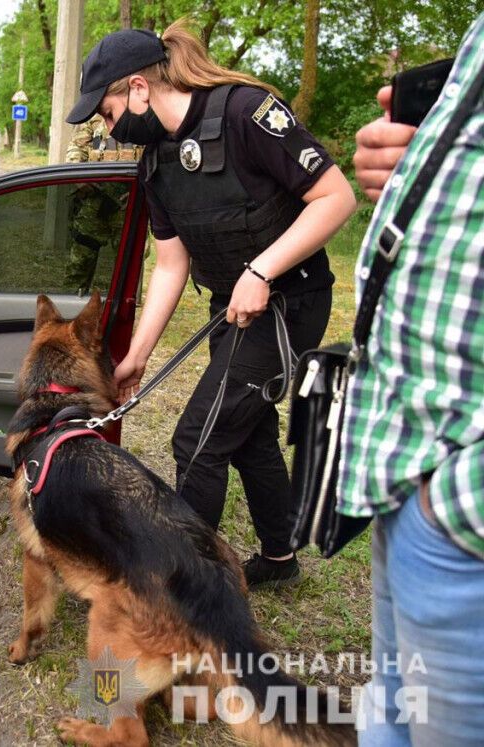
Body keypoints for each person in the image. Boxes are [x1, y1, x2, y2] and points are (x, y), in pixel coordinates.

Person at [66, 21, 357, 588]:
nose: (111, 128)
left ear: (139, 89)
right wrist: (138, 357)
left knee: (198, 438)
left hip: (290, 303)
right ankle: (279, 559)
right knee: (246, 431)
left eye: (106, 112)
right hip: (235, 307)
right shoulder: (155, 162)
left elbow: (336, 196)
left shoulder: (248, 112)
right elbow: (172, 266)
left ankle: (183, 589)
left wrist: (261, 269)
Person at [338, 12, 484, 744]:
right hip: (409, 464)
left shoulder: (241, 120)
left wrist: (452, 510)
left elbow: (323, 202)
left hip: (461, 514)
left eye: (105, 109)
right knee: (390, 718)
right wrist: (422, 175)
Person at [64, 114, 143, 294]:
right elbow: (75, 150)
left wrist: (141, 190)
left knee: (127, 266)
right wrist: (80, 180)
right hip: (94, 199)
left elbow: (155, 157)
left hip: (130, 203)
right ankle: (70, 309)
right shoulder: (94, 117)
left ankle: (118, 312)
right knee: (79, 262)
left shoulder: (142, 113)